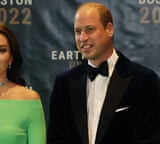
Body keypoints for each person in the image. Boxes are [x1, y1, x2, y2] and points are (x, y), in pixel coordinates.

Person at [47, 2, 160, 144]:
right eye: (77, 31)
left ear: (109, 29)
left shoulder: (144, 81)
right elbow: (56, 139)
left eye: (90, 29)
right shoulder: (64, 83)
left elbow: (149, 139)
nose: (82, 38)